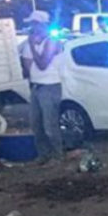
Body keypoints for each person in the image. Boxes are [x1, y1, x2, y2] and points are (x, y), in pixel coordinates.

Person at [20, 11, 64, 164]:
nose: (32, 27)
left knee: (50, 125)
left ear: (42, 24)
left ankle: (57, 156)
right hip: (37, 86)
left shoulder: (51, 41)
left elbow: (43, 64)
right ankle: (44, 155)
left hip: (50, 86)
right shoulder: (33, 42)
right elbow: (27, 66)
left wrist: (32, 45)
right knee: (36, 124)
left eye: (35, 23)